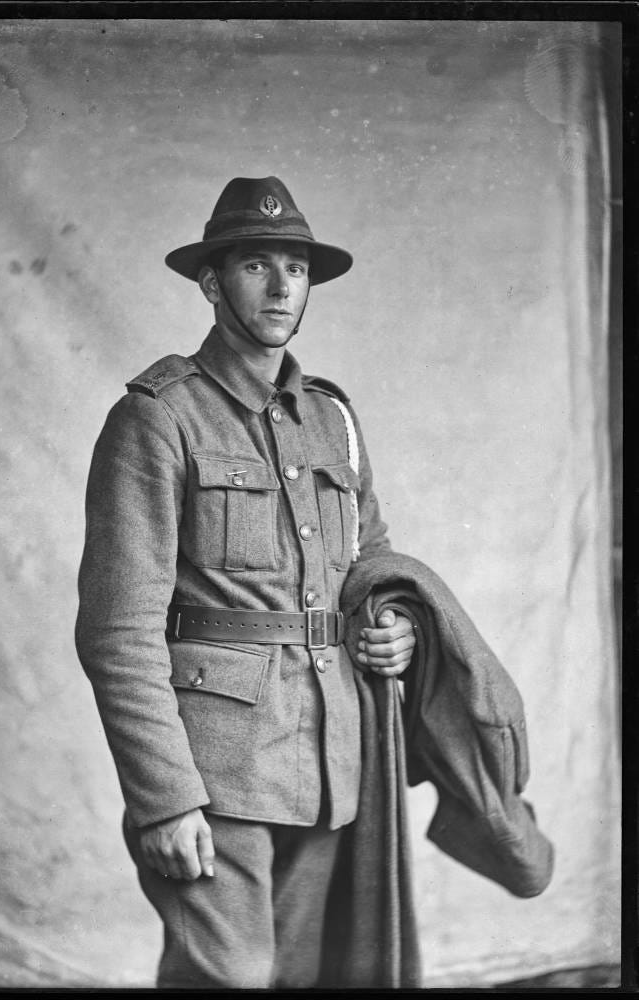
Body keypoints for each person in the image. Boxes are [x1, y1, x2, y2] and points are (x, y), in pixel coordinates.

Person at [75, 176, 553, 990]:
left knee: (306, 977)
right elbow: (117, 630)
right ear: (211, 282)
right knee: (227, 977)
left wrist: (394, 626)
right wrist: (163, 798)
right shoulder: (159, 417)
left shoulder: (332, 418)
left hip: (334, 755)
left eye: (293, 267)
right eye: (255, 264)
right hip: (216, 771)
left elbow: (372, 565)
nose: (279, 285)